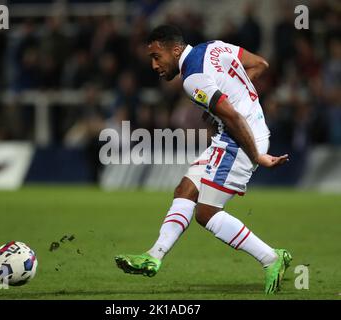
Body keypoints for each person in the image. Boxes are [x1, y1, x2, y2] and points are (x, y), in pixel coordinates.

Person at [115, 25, 292, 294]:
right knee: (185, 190)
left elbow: (232, 117)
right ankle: (155, 254)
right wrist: (233, 96)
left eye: (157, 56)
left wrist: (257, 155)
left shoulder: (192, 78)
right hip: (233, 134)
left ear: (175, 50)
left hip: (241, 139)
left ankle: (271, 257)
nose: (154, 65)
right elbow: (259, 64)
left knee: (206, 213)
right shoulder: (213, 46)